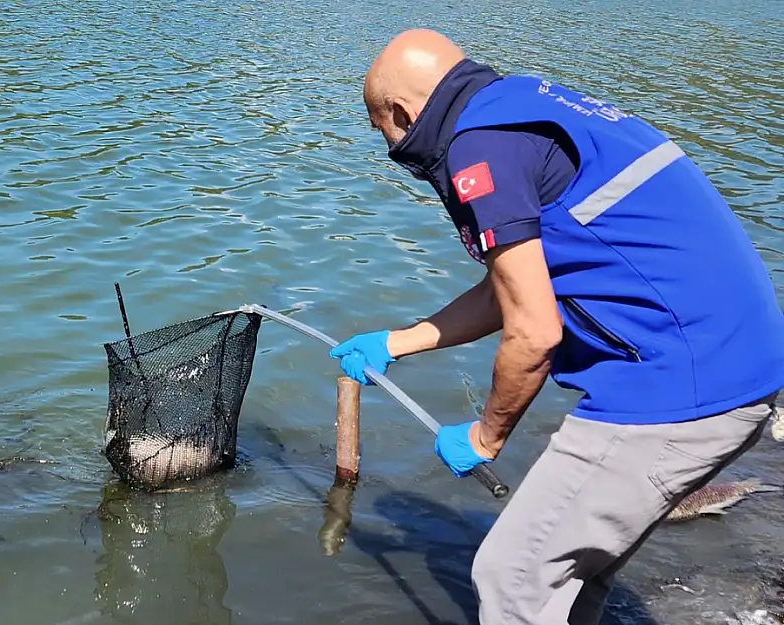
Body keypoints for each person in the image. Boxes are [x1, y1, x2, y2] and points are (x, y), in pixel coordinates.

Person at [328, 28, 784, 625]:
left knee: (510, 577)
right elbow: (516, 287)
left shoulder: (478, 150)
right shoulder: (524, 105)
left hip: (678, 387)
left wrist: (486, 437)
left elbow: (534, 329)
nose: (386, 142)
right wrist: (396, 343)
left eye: (380, 128)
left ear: (402, 112)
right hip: (740, 366)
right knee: (569, 578)